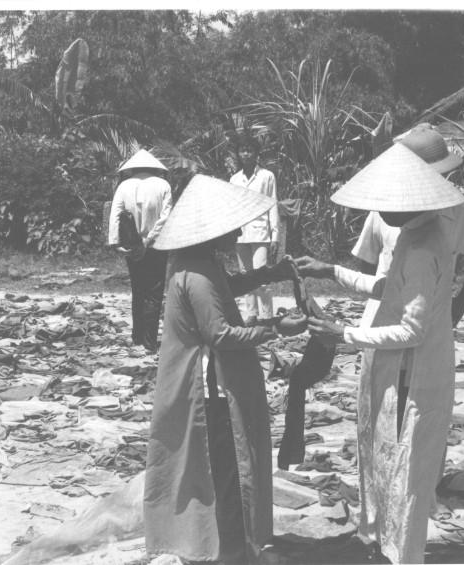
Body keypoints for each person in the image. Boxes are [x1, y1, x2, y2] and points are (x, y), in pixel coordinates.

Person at [295, 141, 464, 564]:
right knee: (384, 452)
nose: (383, 210)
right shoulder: (415, 234)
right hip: (397, 360)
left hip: (412, 368)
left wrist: (342, 334)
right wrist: (330, 270)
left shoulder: (424, 246)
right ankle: (383, 542)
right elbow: (385, 286)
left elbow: (411, 329)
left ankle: (402, 552)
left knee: (407, 466)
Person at [144, 174, 306, 565]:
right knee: (228, 470)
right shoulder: (196, 274)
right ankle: (230, 550)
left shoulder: (197, 263)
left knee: (225, 468)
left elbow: (225, 288)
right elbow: (221, 334)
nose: (236, 234)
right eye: (230, 229)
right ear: (211, 233)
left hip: (211, 380)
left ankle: (229, 544)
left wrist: (268, 274)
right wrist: (274, 328)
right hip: (209, 388)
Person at [352, 123, 464, 328]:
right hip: (382, 317)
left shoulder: (460, 212)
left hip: (433, 320)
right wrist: (380, 295)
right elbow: (367, 258)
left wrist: (462, 300)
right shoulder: (384, 209)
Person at [108, 149, 172, 352]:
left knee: (138, 289)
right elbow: (166, 217)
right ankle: (149, 340)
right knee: (154, 292)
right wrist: (150, 238)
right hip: (156, 245)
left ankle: (137, 336)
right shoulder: (164, 185)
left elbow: (115, 214)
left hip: (131, 246)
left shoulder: (124, 186)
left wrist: (115, 242)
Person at [230, 134, 280, 324]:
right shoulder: (234, 179)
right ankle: (251, 314)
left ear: (256, 153)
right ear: (238, 154)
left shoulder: (267, 176)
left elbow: (272, 204)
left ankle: (267, 316)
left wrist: (275, 236)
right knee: (245, 276)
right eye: (242, 150)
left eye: (249, 150)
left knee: (261, 276)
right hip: (240, 234)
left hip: (261, 233)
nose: (246, 154)